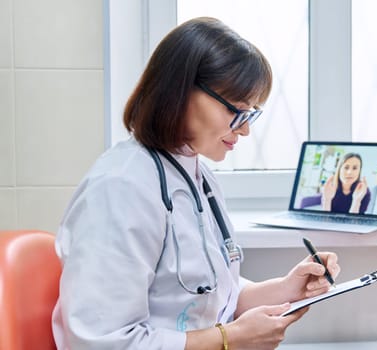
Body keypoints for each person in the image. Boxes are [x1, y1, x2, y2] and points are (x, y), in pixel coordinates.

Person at [51, 17, 340, 350]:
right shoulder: (120, 188)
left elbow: (209, 296)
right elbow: (101, 341)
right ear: (181, 92)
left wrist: (288, 288)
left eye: (251, 114)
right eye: (238, 110)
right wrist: (228, 339)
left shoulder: (195, 176)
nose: (245, 130)